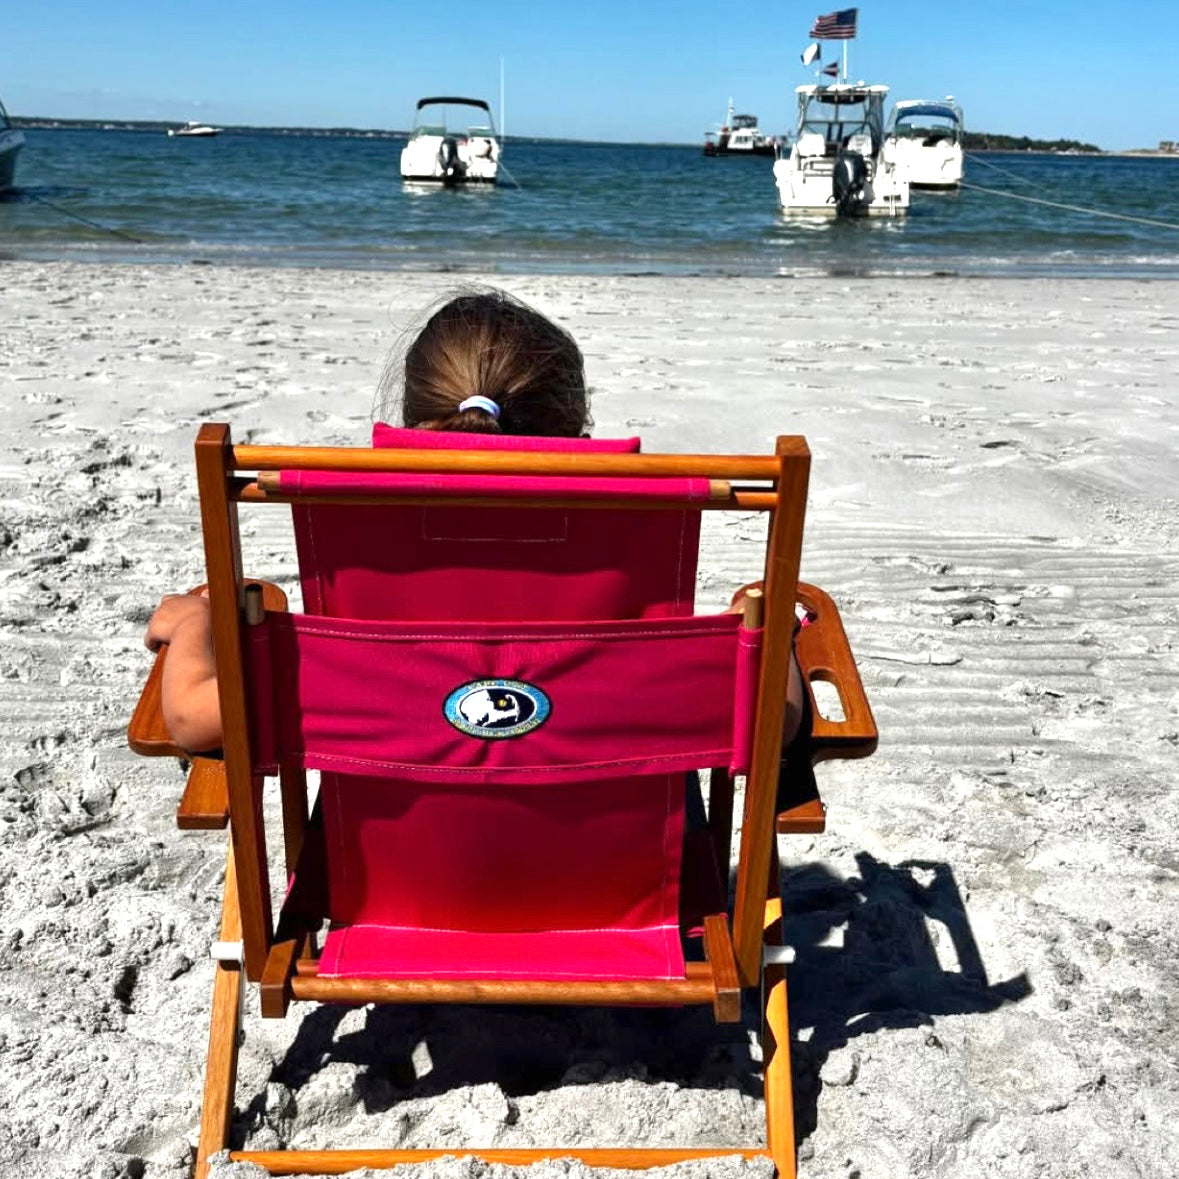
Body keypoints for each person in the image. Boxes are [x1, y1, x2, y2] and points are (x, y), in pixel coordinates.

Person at [144, 287, 805, 764]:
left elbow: (189, 719)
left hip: (389, 898)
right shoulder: (635, 527)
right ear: (573, 429)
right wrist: (767, 626)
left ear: (409, 420)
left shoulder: (363, 536)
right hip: (622, 909)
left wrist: (196, 621)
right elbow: (773, 723)